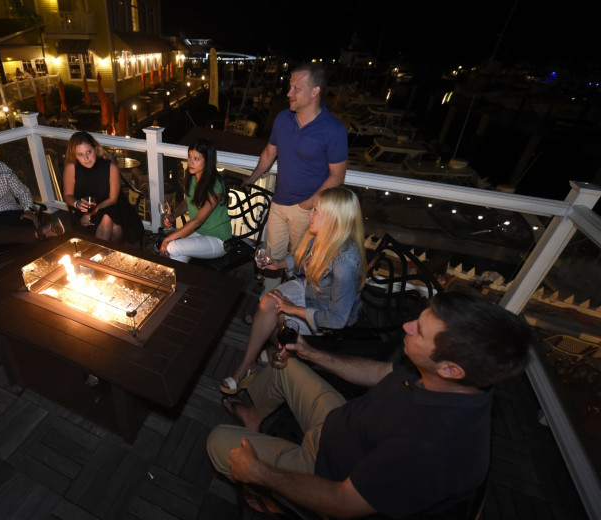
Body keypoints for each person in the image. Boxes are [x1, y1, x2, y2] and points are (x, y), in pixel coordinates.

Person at [207, 291, 531, 518]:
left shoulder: (432, 450)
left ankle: (277, 502)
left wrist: (261, 473)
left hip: (328, 474)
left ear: (449, 369)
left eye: (418, 331)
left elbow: (344, 503)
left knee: (218, 440)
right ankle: (254, 417)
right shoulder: (445, 376)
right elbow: (380, 373)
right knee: (287, 366)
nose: (407, 326)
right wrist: (312, 353)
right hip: (342, 425)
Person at [220, 186, 365, 393]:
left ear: (333, 220)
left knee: (278, 316)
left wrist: (291, 309)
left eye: (316, 211)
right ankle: (248, 364)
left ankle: (274, 358)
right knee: (268, 302)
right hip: (309, 288)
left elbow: (337, 319)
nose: (310, 214)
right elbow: (302, 261)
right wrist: (277, 264)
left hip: (325, 314)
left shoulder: (345, 263)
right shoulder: (321, 234)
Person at [241, 62, 348, 296]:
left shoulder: (333, 130)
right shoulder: (283, 119)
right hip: (279, 203)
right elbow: (270, 153)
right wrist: (252, 178)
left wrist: (308, 204)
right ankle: (266, 304)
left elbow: (337, 176)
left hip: (308, 211)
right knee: (273, 259)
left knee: (300, 265)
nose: (288, 93)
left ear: (315, 91)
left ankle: (291, 313)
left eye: (295, 88)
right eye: (289, 87)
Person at [62, 131, 143, 244]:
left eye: (88, 152)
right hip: (84, 207)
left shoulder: (110, 167)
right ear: (75, 155)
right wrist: (77, 204)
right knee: (116, 229)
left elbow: (113, 199)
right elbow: (67, 195)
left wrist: (90, 213)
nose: (86, 158)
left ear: (95, 149)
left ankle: (98, 253)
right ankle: (107, 254)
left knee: (107, 218)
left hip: (111, 205)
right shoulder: (71, 168)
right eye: (80, 154)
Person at [158, 138, 232, 262]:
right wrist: (174, 216)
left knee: (171, 245)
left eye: (196, 159)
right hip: (199, 232)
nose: (190, 162)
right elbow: (188, 202)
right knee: (174, 255)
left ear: (208, 161)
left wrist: (168, 238)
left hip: (218, 239)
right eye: (189, 157)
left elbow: (197, 221)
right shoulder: (193, 178)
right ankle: (181, 280)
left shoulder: (215, 185)